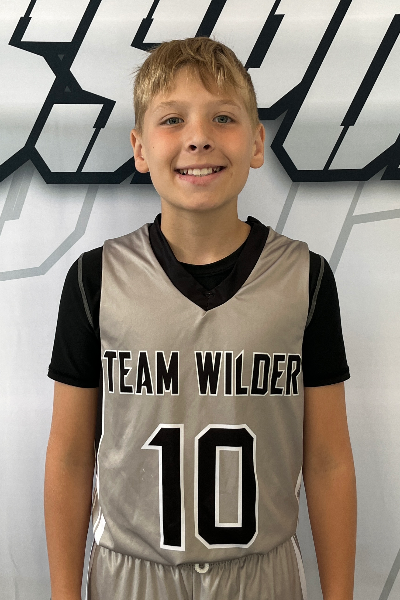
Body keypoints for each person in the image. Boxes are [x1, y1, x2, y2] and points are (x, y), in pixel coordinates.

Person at [45, 37, 356, 600]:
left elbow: (328, 459)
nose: (198, 137)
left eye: (223, 117)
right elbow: (69, 458)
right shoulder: (95, 279)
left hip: (263, 577)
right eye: (172, 119)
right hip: (131, 576)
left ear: (257, 142)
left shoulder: (305, 279)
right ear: (140, 148)